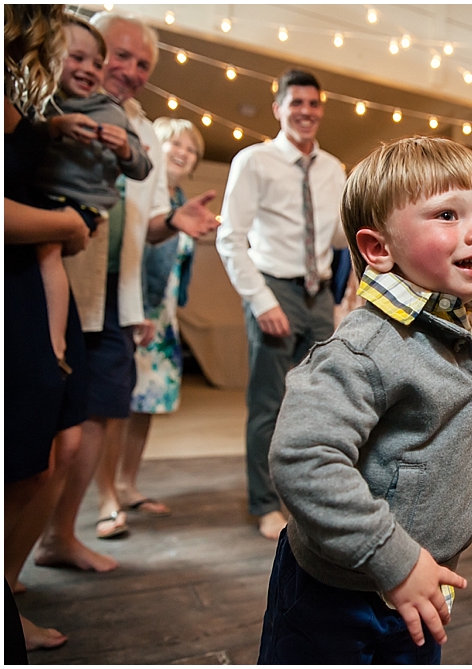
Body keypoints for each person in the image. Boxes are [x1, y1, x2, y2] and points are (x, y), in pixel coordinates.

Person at [258, 137, 472, 664]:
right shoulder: (363, 349)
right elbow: (302, 460)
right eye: (447, 214)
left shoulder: (450, 325)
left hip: (420, 572)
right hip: (343, 588)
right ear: (379, 248)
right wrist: (394, 559)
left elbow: (454, 387)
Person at [35, 10, 218, 567]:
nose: (131, 71)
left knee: (104, 412)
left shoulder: (140, 129)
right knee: (43, 418)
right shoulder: (49, 104)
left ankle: (60, 536)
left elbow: (142, 223)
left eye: (144, 64)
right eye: (121, 56)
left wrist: (173, 221)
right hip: (51, 278)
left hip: (117, 294)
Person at [216, 69, 348, 540]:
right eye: (296, 103)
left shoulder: (334, 168)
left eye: (314, 104)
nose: (306, 112)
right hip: (275, 287)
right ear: (279, 108)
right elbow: (230, 238)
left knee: (314, 403)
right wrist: (260, 300)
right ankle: (264, 504)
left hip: (319, 295)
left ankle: (303, 496)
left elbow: (336, 236)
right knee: (268, 405)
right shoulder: (255, 161)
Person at [4, 4, 87, 653]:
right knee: (27, 454)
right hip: (20, 276)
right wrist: (61, 226)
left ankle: (9, 581)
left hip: (37, 276)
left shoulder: (23, 90)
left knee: (57, 439)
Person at [35, 15, 151, 374]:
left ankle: (55, 346)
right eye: (78, 58)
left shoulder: (112, 112)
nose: (89, 69)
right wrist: (56, 128)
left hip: (83, 206)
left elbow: (141, 166)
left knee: (48, 253)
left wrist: (125, 150)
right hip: (45, 198)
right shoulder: (45, 104)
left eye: (96, 63)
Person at [115, 118, 205, 519]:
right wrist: (139, 313)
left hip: (164, 316)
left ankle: (125, 483)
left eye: (192, 148)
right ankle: (104, 490)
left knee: (146, 405)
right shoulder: (140, 198)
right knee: (118, 402)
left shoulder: (183, 201)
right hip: (138, 311)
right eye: (176, 144)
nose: (184, 152)